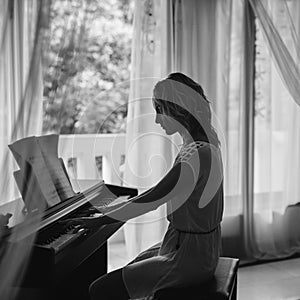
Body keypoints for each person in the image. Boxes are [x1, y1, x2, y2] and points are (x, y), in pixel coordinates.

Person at [88, 72, 224, 300]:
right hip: (197, 249)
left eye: (160, 110)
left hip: (189, 258)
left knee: (99, 289)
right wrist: (105, 214)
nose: (157, 120)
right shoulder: (204, 144)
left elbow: (150, 201)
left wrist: (99, 219)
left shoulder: (197, 152)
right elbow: (154, 194)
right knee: (132, 266)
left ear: (179, 109)